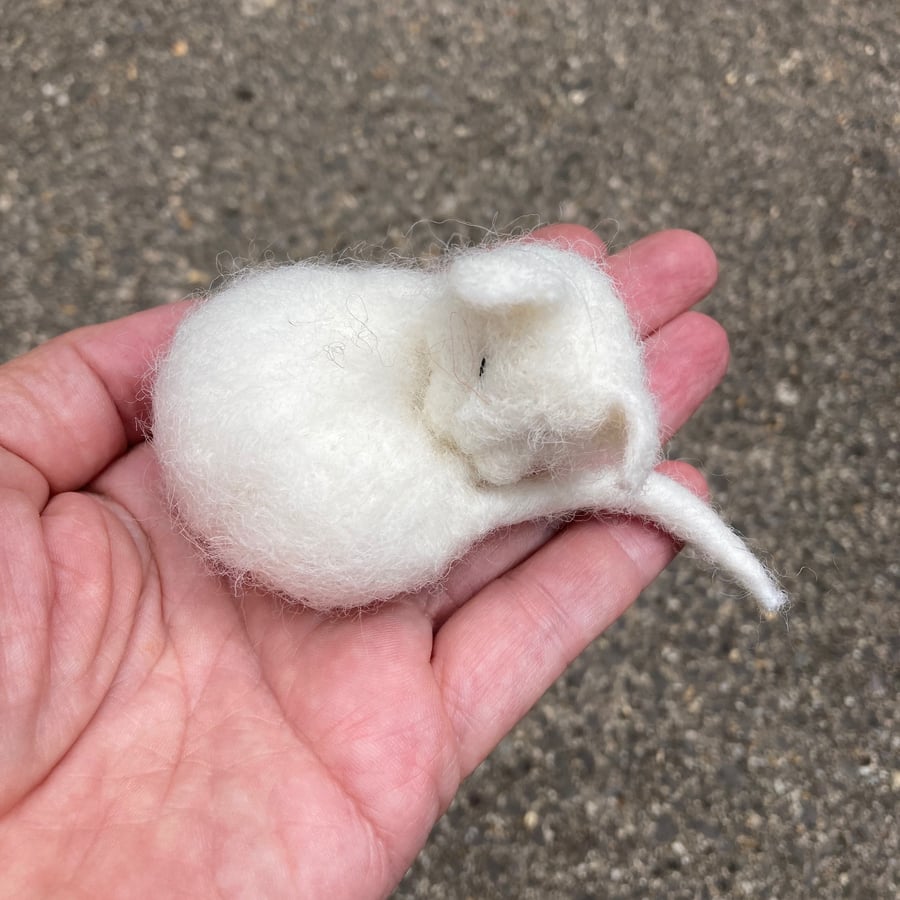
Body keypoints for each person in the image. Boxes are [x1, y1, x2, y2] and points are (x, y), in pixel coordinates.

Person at [0, 225, 726, 897]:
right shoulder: (348, 376)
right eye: (476, 368)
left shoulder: (358, 335)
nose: (464, 423)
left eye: (517, 443)